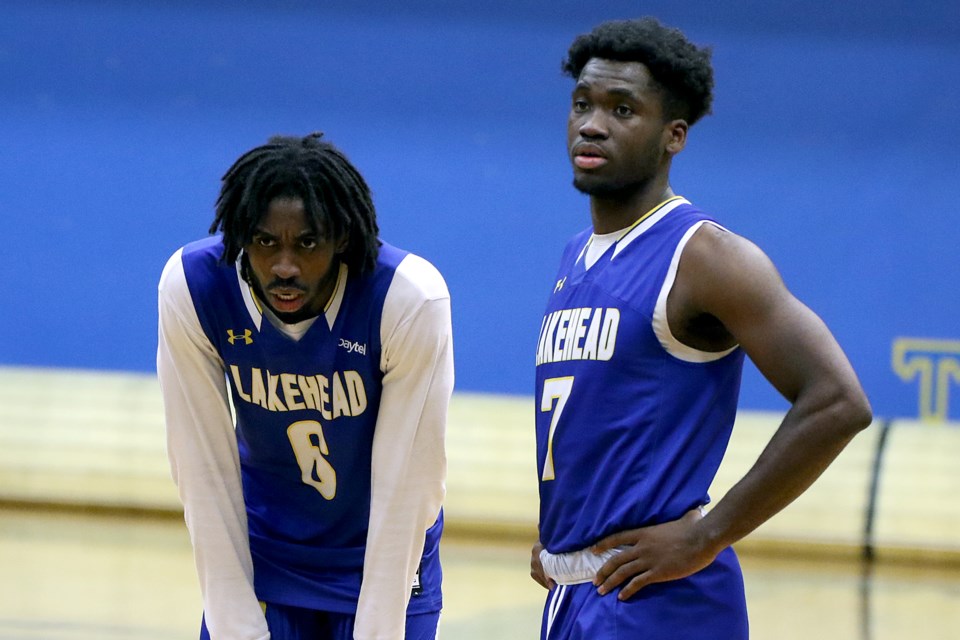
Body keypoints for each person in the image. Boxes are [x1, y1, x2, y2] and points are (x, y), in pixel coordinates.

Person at [529, 17, 872, 639]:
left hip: (660, 603)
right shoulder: (576, 254)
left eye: (622, 109)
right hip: (579, 594)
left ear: (673, 135)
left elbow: (838, 401)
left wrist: (707, 535)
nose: (591, 123)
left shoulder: (706, 256)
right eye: (582, 103)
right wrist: (562, 543)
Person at [157, 132, 453, 640]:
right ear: (239, 239)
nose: (284, 267)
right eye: (265, 243)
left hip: (382, 559)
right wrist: (236, 625)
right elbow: (202, 468)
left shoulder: (408, 299)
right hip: (264, 556)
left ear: (343, 238)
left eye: (307, 243)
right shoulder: (194, 287)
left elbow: (410, 484)